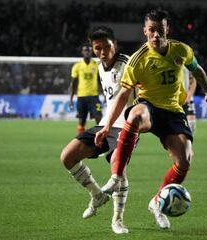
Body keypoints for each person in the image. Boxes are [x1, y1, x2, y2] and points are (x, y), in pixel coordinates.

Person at [95, 9, 207, 229]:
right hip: (149, 107)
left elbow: (197, 70)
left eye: (160, 30)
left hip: (173, 110)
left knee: (185, 160)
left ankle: (157, 202)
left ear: (166, 29)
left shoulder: (181, 50)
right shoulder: (137, 60)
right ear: (145, 31)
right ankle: (115, 178)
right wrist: (108, 126)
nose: (156, 35)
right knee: (135, 114)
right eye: (151, 30)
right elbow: (123, 95)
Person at [60, 26, 136, 234]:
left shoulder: (129, 64)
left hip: (127, 126)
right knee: (67, 156)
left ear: (115, 45)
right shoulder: (100, 66)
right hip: (106, 124)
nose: (102, 52)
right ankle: (97, 195)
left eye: (107, 47)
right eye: (97, 48)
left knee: (117, 167)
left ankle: (117, 220)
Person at [69, 43, 102, 135]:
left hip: (94, 97)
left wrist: (105, 94)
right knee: (81, 121)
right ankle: (80, 141)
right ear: (82, 52)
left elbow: (100, 81)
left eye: (89, 50)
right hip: (81, 97)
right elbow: (73, 84)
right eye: (85, 50)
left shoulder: (96, 65)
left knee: (99, 117)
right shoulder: (77, 66)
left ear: (92, 52)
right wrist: (71, 100)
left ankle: (101, 140)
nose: (87, 52)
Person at [182, 67, 197, 135]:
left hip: (187, 99)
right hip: (174, 100)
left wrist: (189, 96)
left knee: (192, 125)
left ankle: (189, 144)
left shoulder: (186, 61)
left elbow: (193, 80)